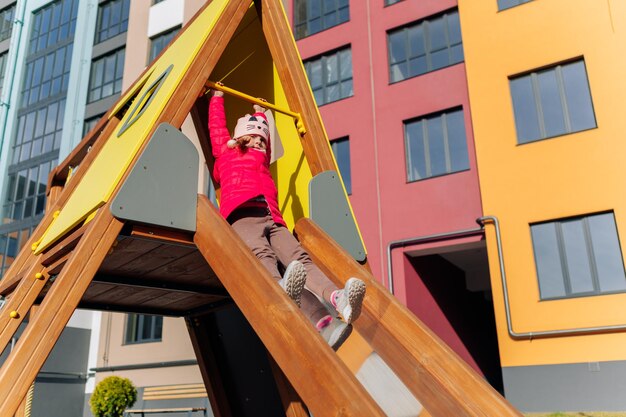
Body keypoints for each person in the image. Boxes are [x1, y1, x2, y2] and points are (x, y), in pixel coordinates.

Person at [208, 86, 366, 350]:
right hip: (243, 216)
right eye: (254, 138)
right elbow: (216, 129)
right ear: (240, 138)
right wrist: (217, 97)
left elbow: (267, 142)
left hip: (273, 218)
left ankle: (339, 300)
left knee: (300, 260)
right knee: (262, 257)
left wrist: (262, 114)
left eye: (262, 140)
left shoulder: (262, 158)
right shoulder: (227, 154)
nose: (259, 143)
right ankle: (280, 289)